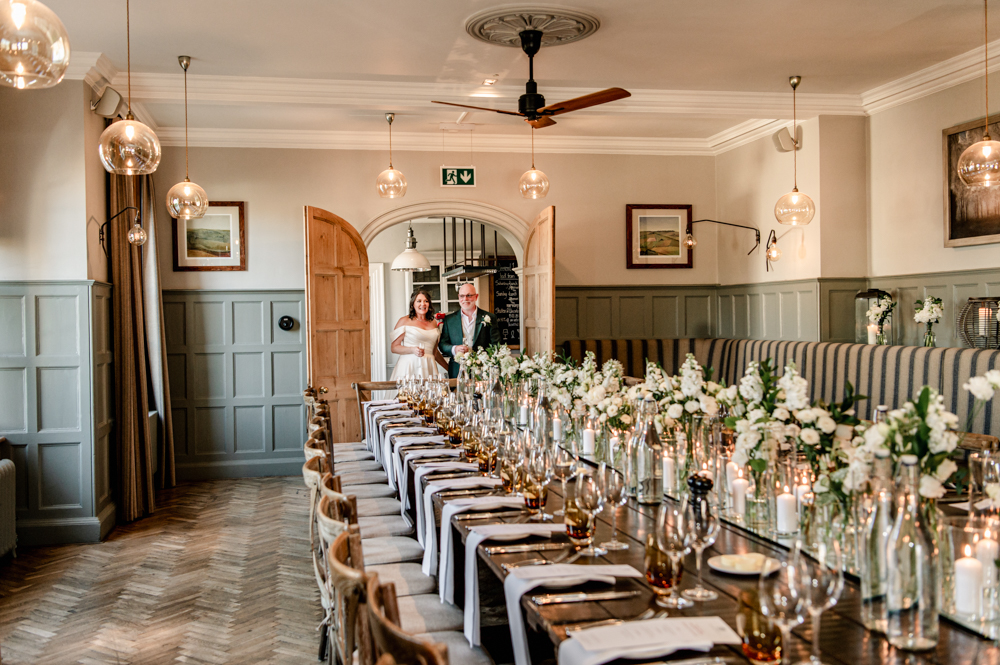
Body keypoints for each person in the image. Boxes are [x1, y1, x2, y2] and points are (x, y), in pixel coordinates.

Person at [438, 283, 501, 379]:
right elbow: (442, 344)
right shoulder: (449, 319)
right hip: (457, 370)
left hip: (482, 371)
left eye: (469, 295)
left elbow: (496, 345)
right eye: (462, 296)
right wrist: (454, 349)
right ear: (458, 297)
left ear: (476, 297)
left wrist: (484, 359)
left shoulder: (490, 317)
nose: (465, 299)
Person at [390, 290, 449, 380]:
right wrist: (412, 350)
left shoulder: (433, 322)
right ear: (413, 304)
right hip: (409, 367)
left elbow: (434, 352)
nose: (423, 304)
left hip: (429, 367)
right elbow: (394, 347)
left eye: (426, 301)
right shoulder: (404, 321)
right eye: (419, 301)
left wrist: (449, 368)